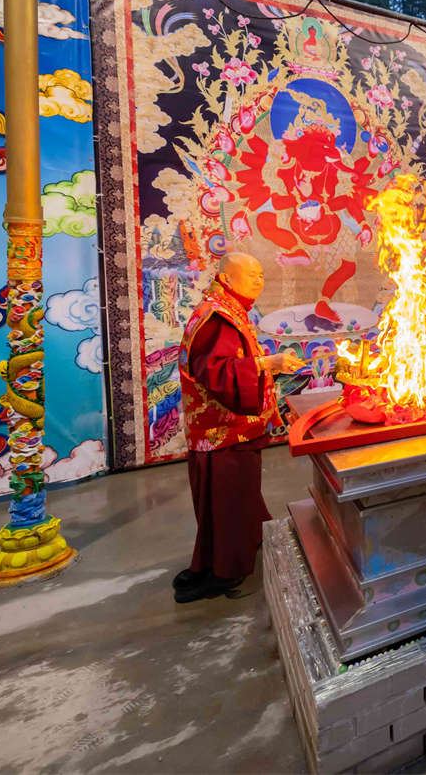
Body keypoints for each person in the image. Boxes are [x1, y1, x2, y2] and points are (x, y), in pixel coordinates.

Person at [173, 252, 303, 603]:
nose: (259, 280)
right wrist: (268, 363)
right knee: (227, 502)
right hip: (222, 430)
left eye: (261, 274)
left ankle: (249, 539)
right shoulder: (218, 317)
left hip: (225, 429)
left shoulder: (227, 309)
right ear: (227, 278)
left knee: (239, 494)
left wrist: (267, 365)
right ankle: (224, 571)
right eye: (251, 274)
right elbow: (217, 374)